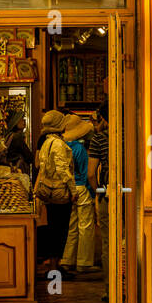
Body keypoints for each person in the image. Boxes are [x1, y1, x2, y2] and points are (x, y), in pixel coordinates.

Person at [33, 109, 77, 276]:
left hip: (49, 192)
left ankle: (53, 266)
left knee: (53, 228)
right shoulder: (58, 144)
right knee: (60, 230)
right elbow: (63, 169)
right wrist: (73, 190)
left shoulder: (46, 142)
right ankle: (54, 267)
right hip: (59, 192)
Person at [60, 112, 96, 277]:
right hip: (81, 188)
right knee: (85, 226)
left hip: (67, 189)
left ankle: (67, 259)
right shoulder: (80, 148)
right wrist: (92, 191)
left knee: (71, 226)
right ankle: (84, 262)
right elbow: (86, 173)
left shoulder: (61, 146)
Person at [88, 104, 111, 278]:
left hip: (109, 193)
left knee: (108, 242)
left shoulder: (100, 138)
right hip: (132, 192)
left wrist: (99, 191)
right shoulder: (136, 132)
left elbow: (91, 174)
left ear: (103, 119)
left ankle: (110, 287)